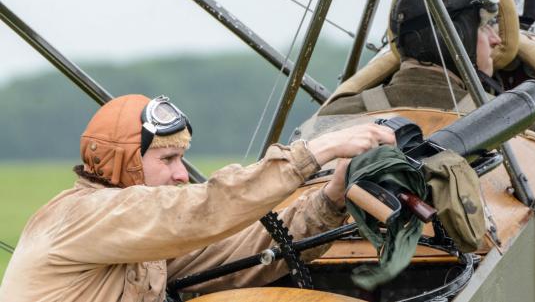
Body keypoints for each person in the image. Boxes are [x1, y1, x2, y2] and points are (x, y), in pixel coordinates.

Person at [0, 94, 395, 302]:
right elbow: (203, 209)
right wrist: (317, 151)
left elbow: (245, 254)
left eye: (182, 158)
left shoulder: (140, 240)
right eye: (168, 158)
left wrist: (331, 197)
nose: (180, 174)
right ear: (124, 162)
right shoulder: (83, 215)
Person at [319, 0, 503, 115]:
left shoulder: (334, 113)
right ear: (451, 36)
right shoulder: (503, 118)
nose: (496, 40)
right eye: (483, 26)